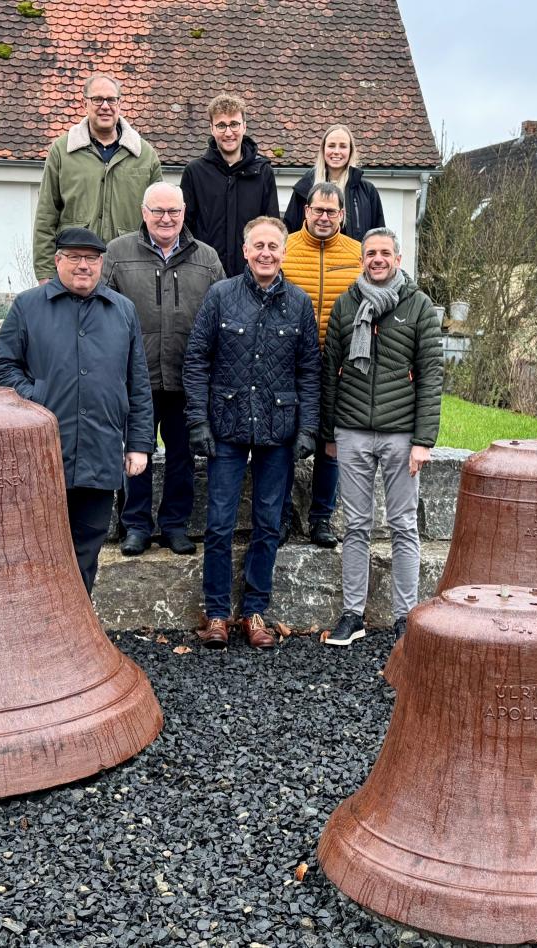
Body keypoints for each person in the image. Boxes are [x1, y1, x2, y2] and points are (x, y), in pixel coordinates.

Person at [0, 227, 154, 594]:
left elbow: (137, 382)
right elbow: (1, 367)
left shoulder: (122, 310)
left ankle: (78, 629)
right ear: (58, 260)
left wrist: (139, 443)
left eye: (92, 259)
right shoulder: (28, 306)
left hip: (100, 447)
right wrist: (37, 397)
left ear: (101, 264)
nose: (84, 266)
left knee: (87, 545)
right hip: (44, 449)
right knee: (39, 544)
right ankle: (41, 630)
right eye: (75, 257)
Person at [182, 217, 320, 649]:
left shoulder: (298, 304)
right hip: (226, 425)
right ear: (244, 251)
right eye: (258, 245)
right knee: (220, 524)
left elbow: (309, 372)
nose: (266, 253)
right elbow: (197, 361)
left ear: (283, 252)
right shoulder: (221, 296)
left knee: (267, 524)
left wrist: (307, 428)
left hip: (277, 430)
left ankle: (255, 611)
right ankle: (218, 613)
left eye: (273, 246)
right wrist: (198, 422)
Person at [319, 227, 443, 646]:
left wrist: (424, 439)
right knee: (355, 525)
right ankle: (353, 614)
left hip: (401, 435)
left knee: (404, 526)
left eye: (384, 253)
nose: (377, 259)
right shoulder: (346, 304)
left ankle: (404, 617)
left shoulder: (419, 307)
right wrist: (330, 431)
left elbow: (431, 377)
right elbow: (330, 371)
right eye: (370, 252)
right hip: (351, 431)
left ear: (398, 258)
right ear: (362, 259)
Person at [103, 182, 226, 557]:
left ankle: (174, 524)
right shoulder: (118, 253)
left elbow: (222, 312)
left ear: (184, 212)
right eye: (158, 211)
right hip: (135, 377)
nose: (166, 218)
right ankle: (136, 526)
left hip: (187, 377)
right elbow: (101, 309)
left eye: (173, 211)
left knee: (182, 456)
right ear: (144, 213)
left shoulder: (206, 258)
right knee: (135, 453)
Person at [279, 181, 362, 549]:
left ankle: (321, 518)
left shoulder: (358, 254)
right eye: (318, 210)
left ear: (342, 216)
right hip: (288, 361)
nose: (324, 217)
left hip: (338, 362)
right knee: (281, 440)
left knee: (331, 443)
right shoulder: (286, 248)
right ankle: (278, 515)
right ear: (305, 211)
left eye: (332, 212)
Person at [32, 75, 163, 283]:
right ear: (84, 103)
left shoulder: (144, 155)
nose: (105, 106)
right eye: (97, 99)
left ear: (120, 103)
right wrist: (45, 273)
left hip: (129, 268)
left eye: (111, 100)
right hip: (75, 267)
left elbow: (159, 219)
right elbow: (46, 216)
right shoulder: (62, 151)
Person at [181, 93, 279, 278]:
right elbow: (185, 229)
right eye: (221, 125)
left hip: (250, 276)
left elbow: (271, 227)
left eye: (234, 124)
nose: (228, 132)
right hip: (204, 274)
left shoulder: (263, 172)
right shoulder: (195, 172)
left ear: (244, 126)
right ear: (211, 128)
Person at [283, 124, 386, 242]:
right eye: (331, 146)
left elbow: (379, 236)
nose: (336, 152)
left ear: (350, 151)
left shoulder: (367, 191)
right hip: (310, 259)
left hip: (353, 259)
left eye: (343, 146)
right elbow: (290, 233)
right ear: (323, 149)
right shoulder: (304, 188)